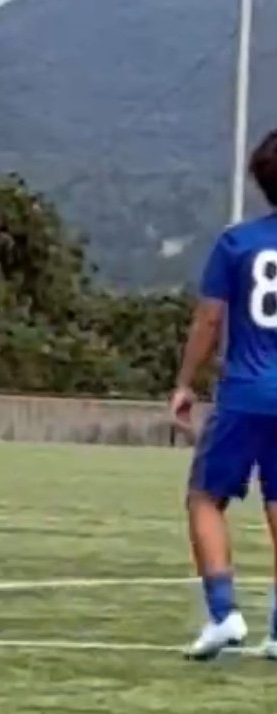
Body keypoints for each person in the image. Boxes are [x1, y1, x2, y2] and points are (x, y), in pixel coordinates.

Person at [171, 129, 277, 661]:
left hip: (245, 394)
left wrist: (185, 381)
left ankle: (224, 614)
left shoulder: (237, 243)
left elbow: (210, 319)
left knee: (205, 497)